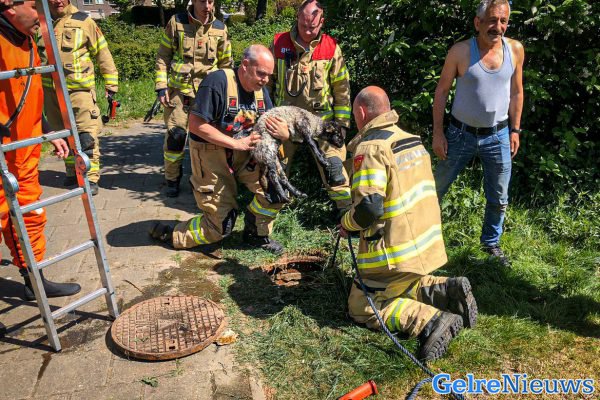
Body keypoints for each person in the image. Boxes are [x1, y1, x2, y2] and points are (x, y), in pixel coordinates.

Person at [339, 86, 477, 362]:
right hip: (426, 245)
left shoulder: (370, 148)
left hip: (395, 252)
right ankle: (445, 289)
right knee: (398, 284)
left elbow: (369, 207)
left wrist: (347, 224)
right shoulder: (410, 141)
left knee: (361, 304)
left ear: (361, 112)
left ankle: (430, 320)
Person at [151, 45, 289, 255]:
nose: (265, 80)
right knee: (220, 227)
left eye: (269, 75)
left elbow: (273, 124)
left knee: (277, 191)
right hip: (211, 156)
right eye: (261, 73)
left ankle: (255, 232)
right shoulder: (217, 82)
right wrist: (236, 144)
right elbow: (196, 125)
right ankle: (172, 234)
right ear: (245, 65)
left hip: (245, 155)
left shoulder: (260, 91)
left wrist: (284, 134)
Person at [432, 0, 524, 267]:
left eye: (503, 21)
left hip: (499, 135)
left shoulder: (515, 50)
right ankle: (425, 237)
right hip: (459, 134)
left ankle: (491, 243)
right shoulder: (460, 51)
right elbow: (442, 91)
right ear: (478, 22)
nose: (498, 27)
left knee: (499, 196)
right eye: (493, 20)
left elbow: (517, 92)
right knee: (436, 188)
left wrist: (515, 130)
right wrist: (438, 133)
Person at [0, 0, 81, 300]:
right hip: (3, 152)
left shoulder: (28, 40)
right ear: (9, 5)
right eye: (35, 7)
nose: (42, 14)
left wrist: (46, 129)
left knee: (30, 214)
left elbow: (26, 93)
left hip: (23, 152)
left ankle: (34, 279)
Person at [269, 0, 352, 211]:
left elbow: (342, 89)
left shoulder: (331, 48)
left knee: (336, 171)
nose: (306, 31)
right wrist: (265, 118)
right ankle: (265, 222)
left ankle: (347, 218)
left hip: (321, 122)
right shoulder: (278, 44)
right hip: (284, 122)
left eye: (312, 27)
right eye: (303, 25)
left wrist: (342, 125)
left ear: (321, 22)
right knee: (273, 172)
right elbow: (266, 84)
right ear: (297, 17)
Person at [38, 0, 119, 196]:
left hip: (79, 92)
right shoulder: (39, 24)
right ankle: (72, 171)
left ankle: (90, 177)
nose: (57, 1)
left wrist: (111, 85)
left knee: (86, 136)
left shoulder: (84, 21)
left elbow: (103, 53)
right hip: (50, 93)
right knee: (61, 135)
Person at [155, 0, 232, 197]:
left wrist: (226, 94)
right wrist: (161, 86)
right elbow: (163, 56)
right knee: (176, 136)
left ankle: (203, 179)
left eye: (211, 1)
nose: (207, 6)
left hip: (207, 96)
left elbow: (226, 65)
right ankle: (172, 179)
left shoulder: (220, 28)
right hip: (179, 93)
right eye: (202, 1)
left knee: (206, 140)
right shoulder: (177, 23)